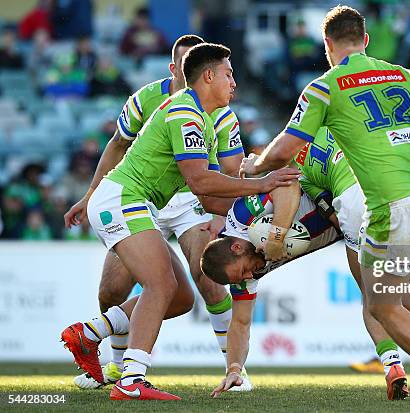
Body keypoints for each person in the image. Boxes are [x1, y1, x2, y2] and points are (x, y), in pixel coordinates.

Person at [239, 7, 410, 408]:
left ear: (327, 46)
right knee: (399, 292)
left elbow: (284, 152)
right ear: (367, 40)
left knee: (380, 305)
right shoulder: (398, 75)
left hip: (385, 208)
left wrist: (254, 166)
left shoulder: (325, 89)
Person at [60, 42, 300, 400]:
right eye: (228, 74)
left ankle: (91, 332)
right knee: (156, 286)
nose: (234, 82)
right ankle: (131, 380)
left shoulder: (203, 117)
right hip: (123, 200)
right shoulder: (185, 114)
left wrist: (253, 202)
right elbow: (200, 181)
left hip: (137, 203)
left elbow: (206, 196)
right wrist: (261, 183)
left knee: (182, 296)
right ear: (207, 76)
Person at [206, 127, 410, 400]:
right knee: (382, 289)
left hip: (339, 206)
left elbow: (287, 185)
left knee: (384, 295)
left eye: (245, 269)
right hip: (342, 216)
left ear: (236, 246)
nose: (253, 273)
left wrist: (277, 235)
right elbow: (241, 323)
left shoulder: (244, 215)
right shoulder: (240, 270)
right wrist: (234, 366)